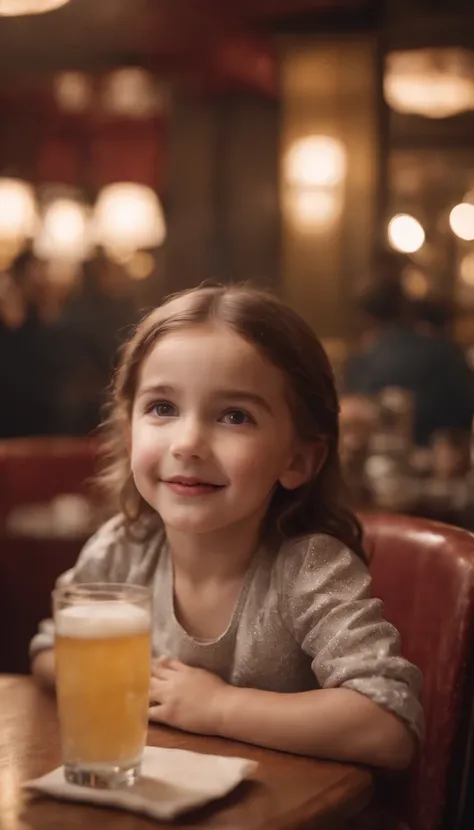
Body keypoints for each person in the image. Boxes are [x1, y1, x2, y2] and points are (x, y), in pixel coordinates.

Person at [30, 284, 422, 768]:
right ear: (129, 434)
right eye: (162, 408)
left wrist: (216, 707)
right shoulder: (122, 550)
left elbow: (387, 723)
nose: (189, 442)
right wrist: (126, 679)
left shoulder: (307, 570)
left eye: (235, 416)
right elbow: (49, 650)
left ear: (297, 459)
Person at [344, 277, 474, 446]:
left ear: (365, 318)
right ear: (407, 310)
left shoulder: (362, 361)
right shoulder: (445, 352)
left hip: (379, 461)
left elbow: (351, 416)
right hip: (442, 457)